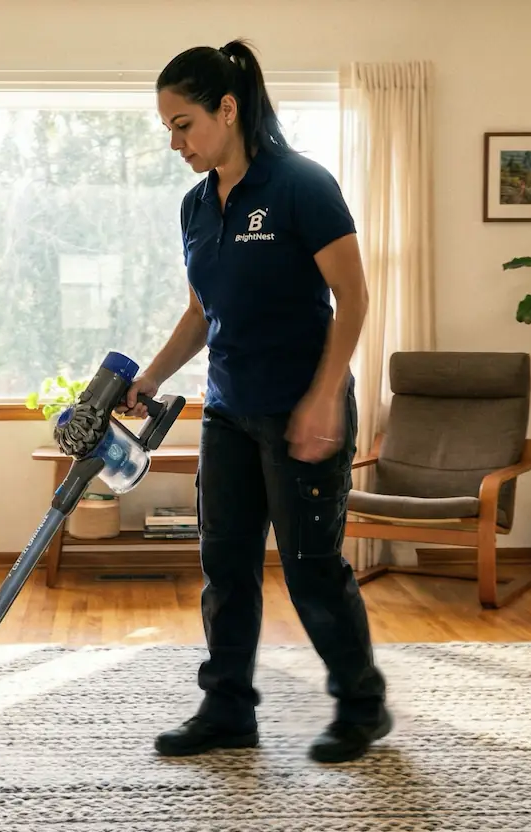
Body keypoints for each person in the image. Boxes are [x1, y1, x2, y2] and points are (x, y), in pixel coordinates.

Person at [121, 39, 389, 764]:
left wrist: (325, 397)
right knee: (225, 565)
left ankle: (362, 707)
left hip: (303, 404)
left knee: (309, 567)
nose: (175, 142)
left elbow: (354, 297)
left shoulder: (300, 184)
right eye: (167, 129)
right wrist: (151, 376)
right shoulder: (195, 206)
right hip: (228, 410)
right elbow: (201, 311)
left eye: (183, 124)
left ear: (227, 109)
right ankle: (227, 710)